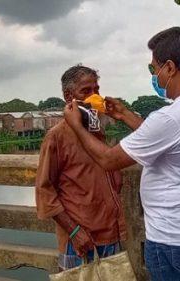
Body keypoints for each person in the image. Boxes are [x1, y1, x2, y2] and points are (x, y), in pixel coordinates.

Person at [63, 27, 180, 280]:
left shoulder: (171, 117)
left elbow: (108, 160)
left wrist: (76, 126)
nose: (155, 76)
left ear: (169, 68)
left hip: (172, 238)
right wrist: (124, 114)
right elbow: (168, 139)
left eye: (154, 69)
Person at [35, 64, 127, 271]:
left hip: (110, 233)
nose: (94, 97)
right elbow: (44, 190)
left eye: (97, 90)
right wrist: (75, 232)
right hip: (80, 239)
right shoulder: (57, 136)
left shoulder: (98, 131)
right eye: (86, 91)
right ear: (69, 97)